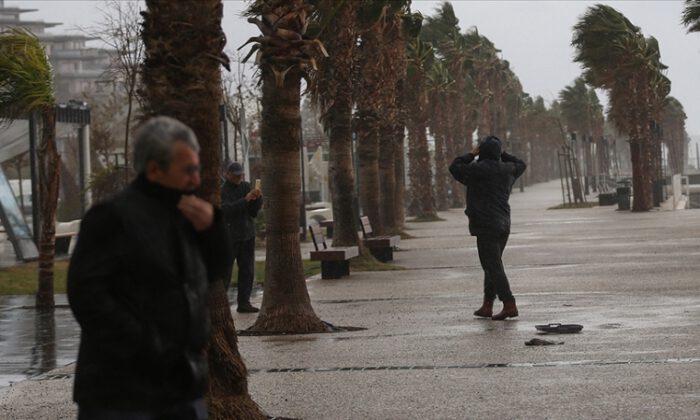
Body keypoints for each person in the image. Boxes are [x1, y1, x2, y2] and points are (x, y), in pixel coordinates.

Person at [67, 116, 230, 419]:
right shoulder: (111, 217)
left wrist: (212, 230)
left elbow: (213, 272)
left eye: (197, 168)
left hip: (182, 386)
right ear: (155, 170)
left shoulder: (186, 214)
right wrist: (145, 344)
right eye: (188, 170)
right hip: (121, 393)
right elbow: (86, 294)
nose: (196, 179)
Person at [448, 135, 526, 320]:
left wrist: (471, 154)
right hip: (503, 224)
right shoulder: (508, 170)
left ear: (481, 152)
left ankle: (509, 303)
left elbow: (454, 167)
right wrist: (503, 153)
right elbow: (521, 163)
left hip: (485, 224)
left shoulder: (476, 170)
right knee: (493, 265)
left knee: (492, 266)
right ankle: (487, 304)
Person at [221, 161, 262, 313]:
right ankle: (222, 304)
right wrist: (245, 199)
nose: (239, 178)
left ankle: (244, 302)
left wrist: (257, 198)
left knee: (247, 271)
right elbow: (227, 210)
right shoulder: (224, 190)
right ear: (228, 174)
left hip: (247, 235)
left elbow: (253, 211)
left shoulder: (246, 186)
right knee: (226, 272)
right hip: (231, 237)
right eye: (236, 175)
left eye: (240, 175)